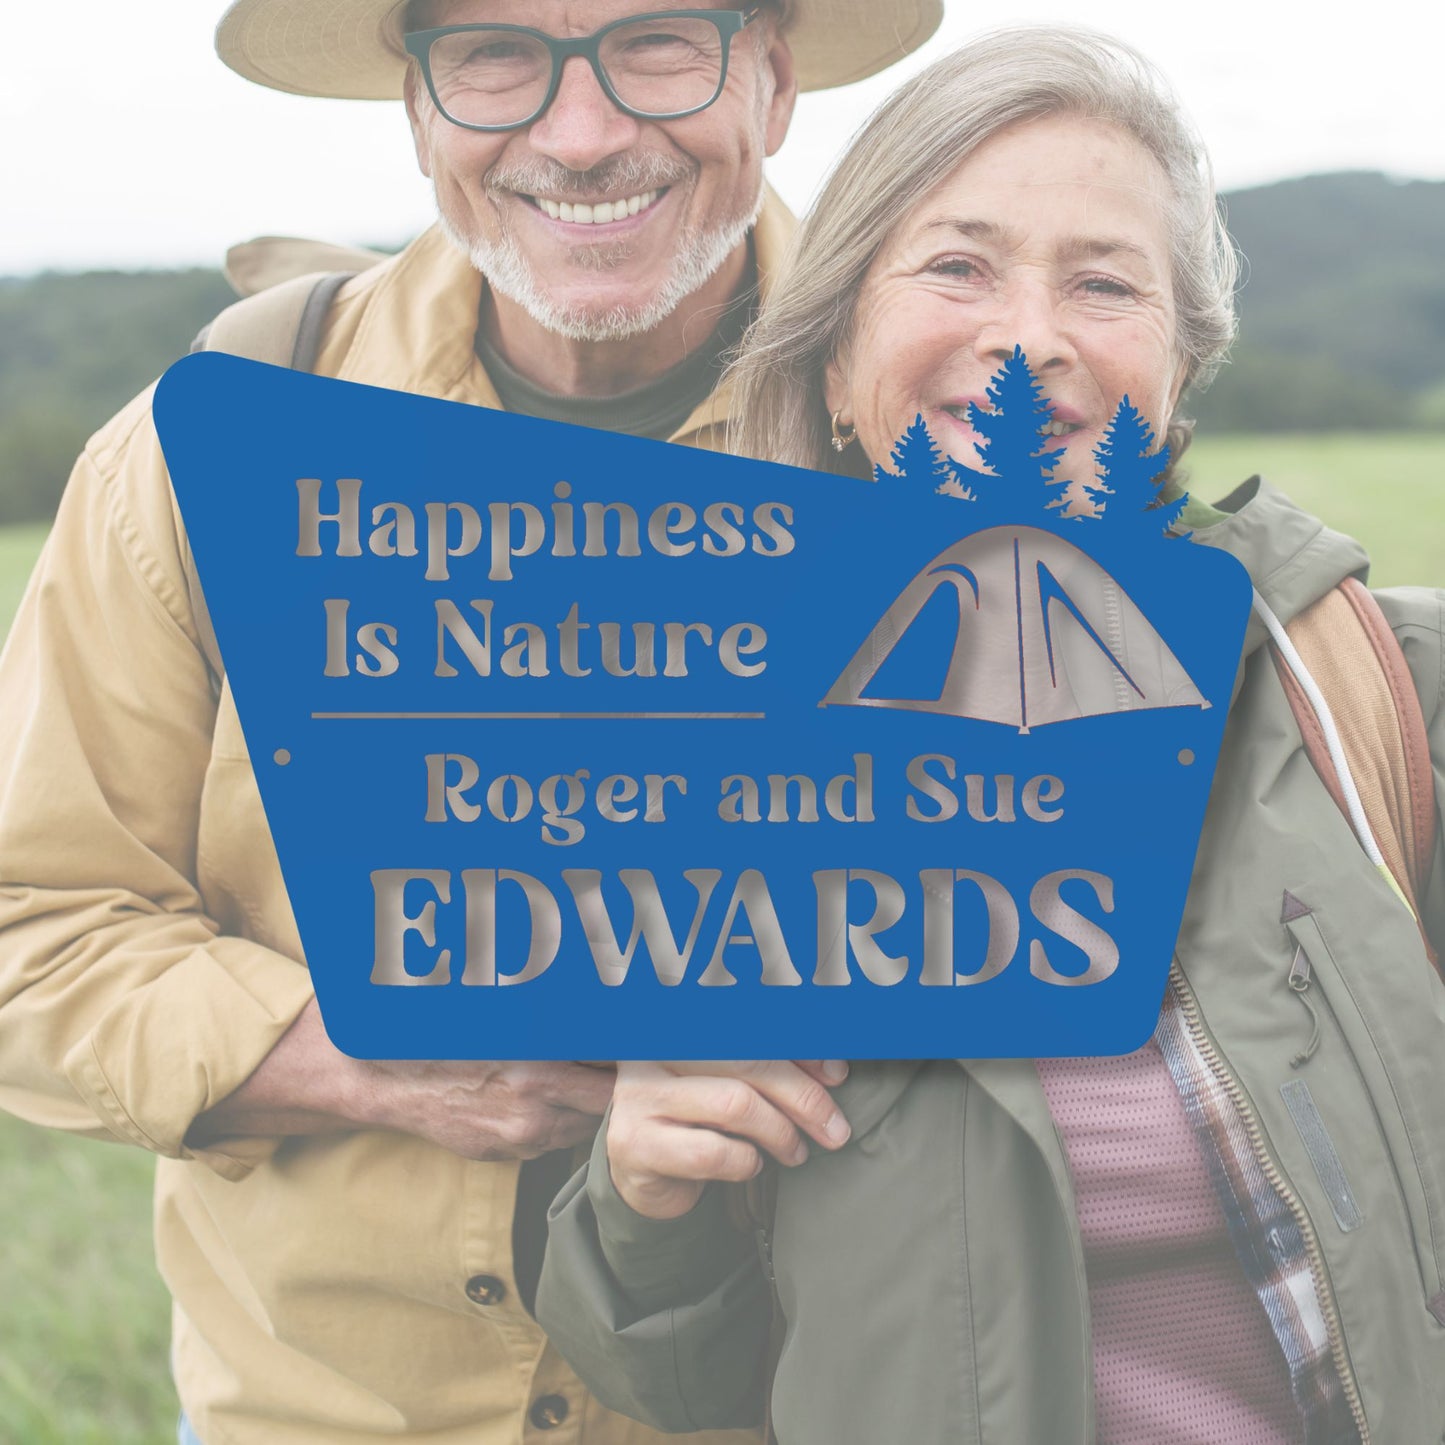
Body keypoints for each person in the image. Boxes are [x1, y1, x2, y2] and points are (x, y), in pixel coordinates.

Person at [0, 3, 942, 1443]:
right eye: (496, 52)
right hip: (313, 1415)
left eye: (660, 40)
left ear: (772, 78)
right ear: (417, 109)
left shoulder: (936, 433)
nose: (579, 135)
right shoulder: (205, 451)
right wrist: (372, 1057)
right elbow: (31, 927)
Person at [535, 27, 1445, 1444]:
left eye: (1102, 281)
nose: (1030, 339)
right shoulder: (678, 755)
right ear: (837, 361)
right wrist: (646, 1190)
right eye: (956, 267)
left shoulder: (1370, 687)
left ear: (1176, 372)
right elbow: (674, 1374)